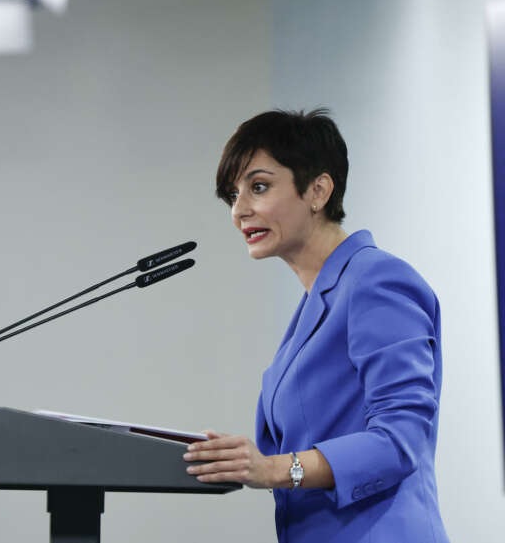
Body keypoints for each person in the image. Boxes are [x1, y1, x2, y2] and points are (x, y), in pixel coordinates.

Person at [182, 109, 450, 542]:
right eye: (233, 195)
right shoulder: (317, 303)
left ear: (318, 190)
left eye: (259, 187)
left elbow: (401, 440)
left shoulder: (376, 281)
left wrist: (270, 468)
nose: (239, 211)